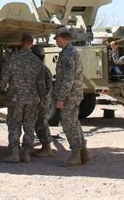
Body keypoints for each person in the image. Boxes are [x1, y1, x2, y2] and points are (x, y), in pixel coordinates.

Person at [0, 34, 47, 163]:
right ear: (31, 44)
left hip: (16, 98)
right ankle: (26, 154)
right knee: (29, 126)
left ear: (21, 43)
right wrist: (42, 98)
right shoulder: (37, 61)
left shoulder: (12, 58)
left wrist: (1, 88)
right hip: (32, 99)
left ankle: (14, 153)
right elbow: (41, 83)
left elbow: (4, 77)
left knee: (14, 124)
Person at [53, 26, 89, 166]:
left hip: (69, 96)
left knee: (69, 125)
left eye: (56, 39)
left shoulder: (68, 54)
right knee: (75, 123)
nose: (56, 42)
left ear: (61, 38)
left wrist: (61, 97)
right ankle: (83, 152)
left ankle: (76, 155)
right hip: (74, 94)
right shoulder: (71, 51)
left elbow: (68, 78)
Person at [31, 45, 54, 158]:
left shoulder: (40, 69)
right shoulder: (44, 68)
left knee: (40, 123)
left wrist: (41, 99)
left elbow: (43, 87)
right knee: (41, 122)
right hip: (44, 99)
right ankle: (46, 147)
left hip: (42, 100)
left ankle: (47, 148)